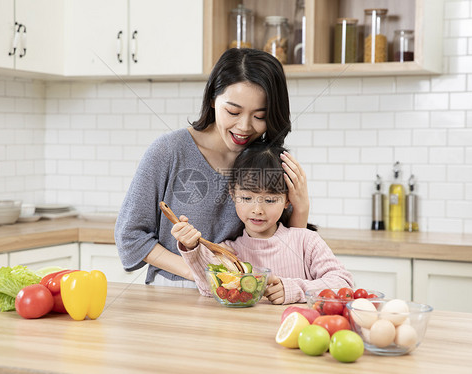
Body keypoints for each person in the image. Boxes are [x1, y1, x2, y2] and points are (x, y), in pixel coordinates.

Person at [115, 48, 310, 287]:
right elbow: (130, 237)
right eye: (233, 111)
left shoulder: (267, 160)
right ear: (212, 99)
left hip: (245, 295)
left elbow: (284, 250)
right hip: (176, 292)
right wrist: (200, 273)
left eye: (260, 116)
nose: (244, 126)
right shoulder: (168, 151)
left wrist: (301, 208)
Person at [171, 141, 354, 304]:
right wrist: (191, 247)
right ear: (233, 194)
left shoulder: (306, 241)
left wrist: (293, 289)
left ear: (287, 200)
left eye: (269, 200)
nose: (257, 209)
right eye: (247, 198)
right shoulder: (228, 252)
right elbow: (208, 289)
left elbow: (343, 283)